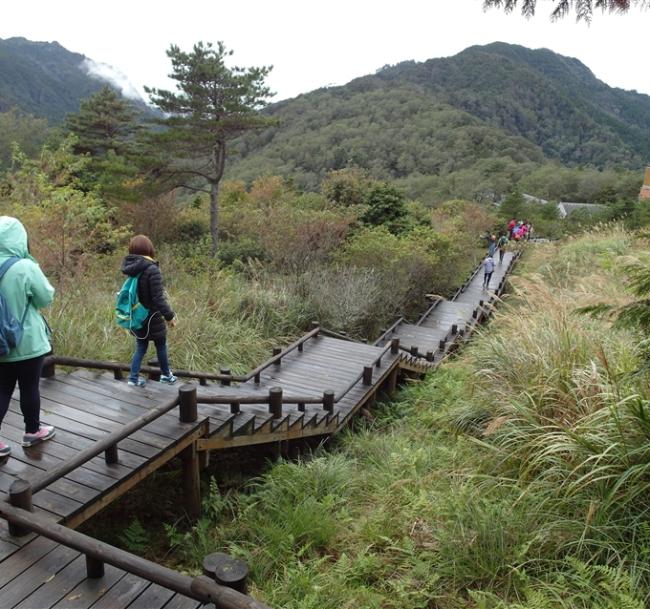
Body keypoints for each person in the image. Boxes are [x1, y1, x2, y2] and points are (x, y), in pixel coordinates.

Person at [0, 217, 56, 459]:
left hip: (0, 344)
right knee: (29, 387)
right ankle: (32, 432)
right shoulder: (24, 266)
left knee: (2, 389)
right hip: (28, 342)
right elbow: (46, 297)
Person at [121, 235, 178, 387]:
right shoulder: (152, 269)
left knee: (140, 347)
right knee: (161, 345)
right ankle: (166, 375)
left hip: (138, 316)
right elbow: (159, 298)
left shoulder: (133, 269)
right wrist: (170, 316)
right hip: (152, 317)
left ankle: (133, 379)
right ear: (149, 249)